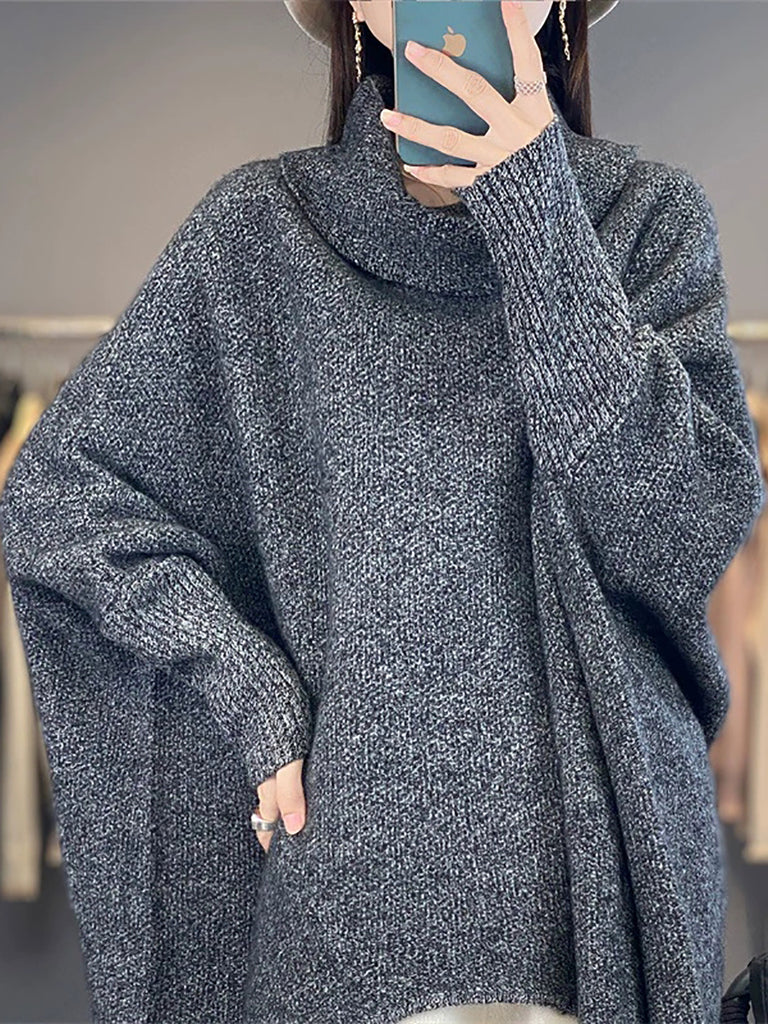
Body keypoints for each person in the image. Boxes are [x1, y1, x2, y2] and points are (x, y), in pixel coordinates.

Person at [0, 1, 763, 1023]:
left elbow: (682, 527)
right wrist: (246, 683)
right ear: (357, 1)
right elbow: (61, 499)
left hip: (609, 898)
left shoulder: (646, 220)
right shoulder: (258, 236)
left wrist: (537, 214)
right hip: (345, 901)